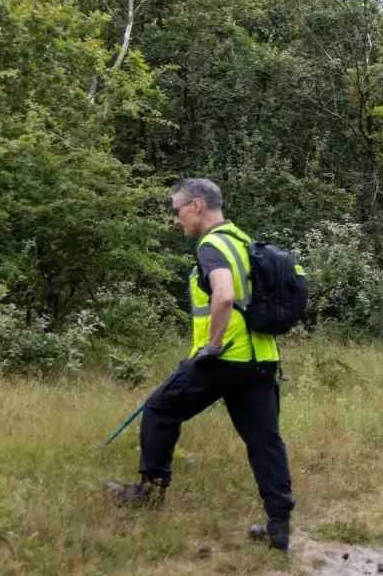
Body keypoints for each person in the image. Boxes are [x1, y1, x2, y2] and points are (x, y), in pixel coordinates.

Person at [106, 178, 294, 552]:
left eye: (176, 211)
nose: (176, 220)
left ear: (195, 205)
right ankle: (279, 526)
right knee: (264, 441)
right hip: (261, 359)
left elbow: (223, 296)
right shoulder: (241, 239)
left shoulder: (212, 245)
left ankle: (150, 491)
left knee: (159, 408)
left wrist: (212, 346)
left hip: (223, 358)